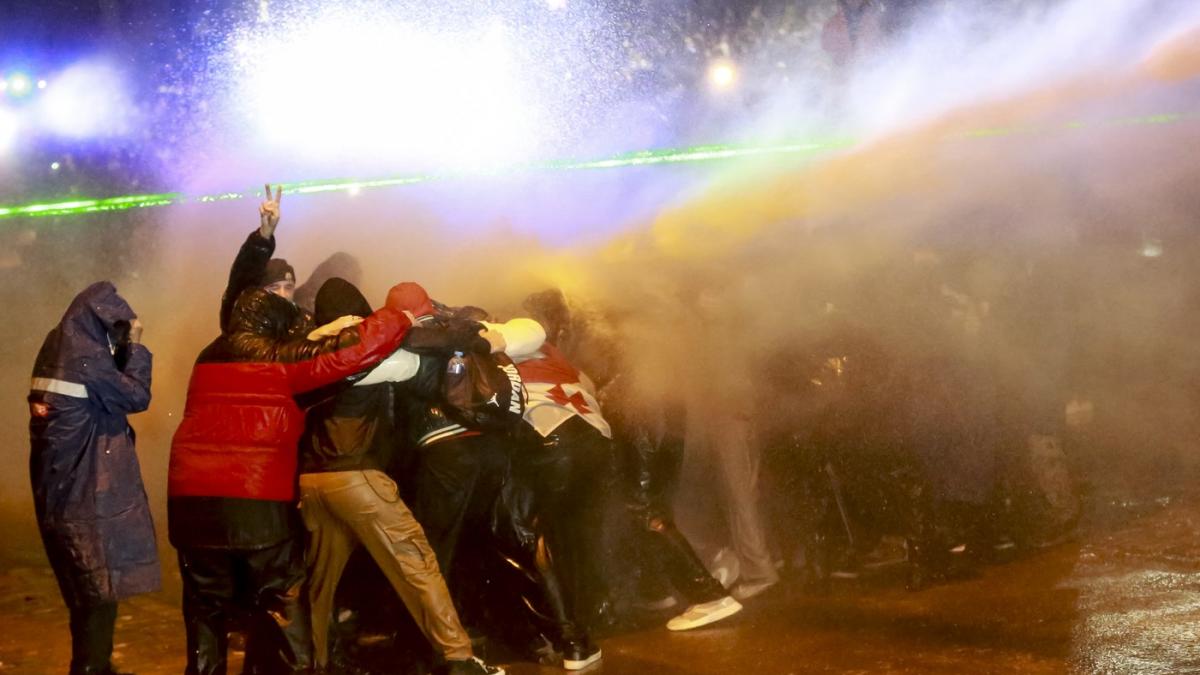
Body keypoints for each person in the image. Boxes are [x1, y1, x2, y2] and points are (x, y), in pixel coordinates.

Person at [167, 284, 414, 675]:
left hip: (190, 500)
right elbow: (353, 350)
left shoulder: (206, 356)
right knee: (282, 601)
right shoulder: (279, 359)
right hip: (256, 499)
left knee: (204, 607)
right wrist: (401, 315)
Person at [296, 278, 504, 675]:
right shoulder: (359, 343)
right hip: (356, 475)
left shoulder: (305, 351)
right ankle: (459, 658)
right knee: (417, 562)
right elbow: (420, 364)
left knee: (319, 585)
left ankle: (314, 663)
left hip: (312, 482)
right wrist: (469, 340)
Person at [29, 282, 159, 675]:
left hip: (60, 490)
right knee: (99, 593)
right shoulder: (86, 356)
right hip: (86, 494)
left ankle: (93, 665)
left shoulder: (56, 346)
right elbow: (134, 396)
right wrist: (136, 347)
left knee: (86, 593)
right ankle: (92, 668)